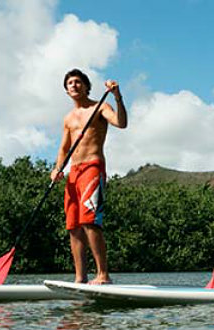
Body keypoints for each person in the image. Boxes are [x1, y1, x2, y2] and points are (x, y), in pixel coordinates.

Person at [51, 68, 127, 285]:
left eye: (77, 82)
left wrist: (118, 98)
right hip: (73, 173)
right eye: (70, 84)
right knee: (73, 225)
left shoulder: (100, 107)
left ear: (86, 86)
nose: (74, 86)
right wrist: (57, 169)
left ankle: (103, 274)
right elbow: (64, 148)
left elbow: (121, 123)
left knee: (90, 222)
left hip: (93, 167)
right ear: (66, 91)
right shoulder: (68, 118)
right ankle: (80, 277)